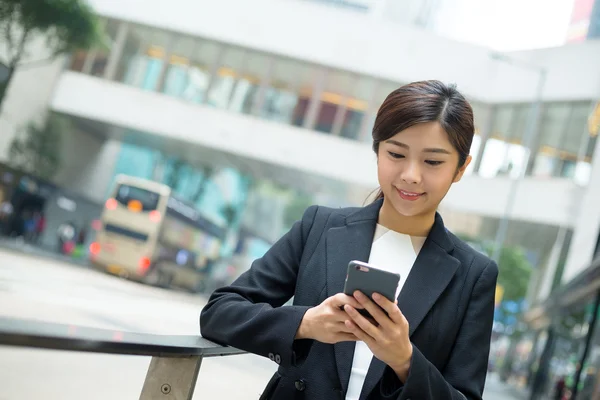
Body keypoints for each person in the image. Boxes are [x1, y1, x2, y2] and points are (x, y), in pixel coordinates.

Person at [200, 80, 498, 400]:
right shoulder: (320, 227)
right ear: (377, 150)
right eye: (396, 154)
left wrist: (405, 360)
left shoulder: (472, 274)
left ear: (461, 167)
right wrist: (306, 323)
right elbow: (220, 313)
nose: (411, 174)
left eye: (433, 161)